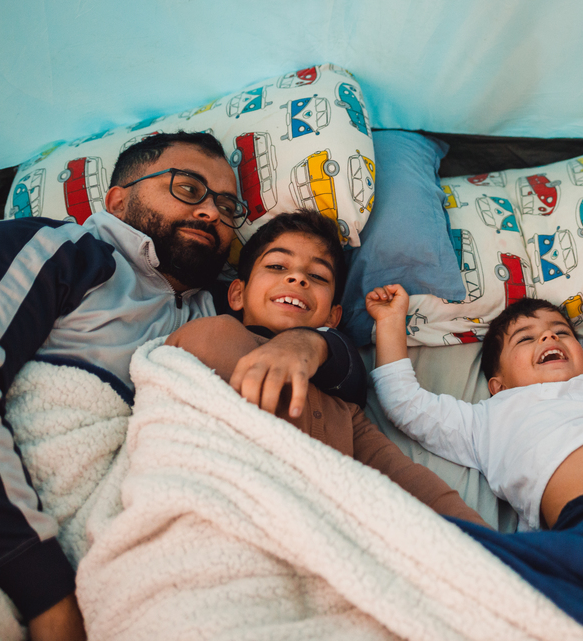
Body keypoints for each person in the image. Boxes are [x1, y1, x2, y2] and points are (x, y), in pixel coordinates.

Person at [0, 132, 364, 641]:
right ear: (117, 199)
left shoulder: (222, 308)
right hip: (1, 537)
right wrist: (45, 590)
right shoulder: (55, 250)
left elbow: (348, 384)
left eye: (226, 205)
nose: (213, 214)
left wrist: (310, 344)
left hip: (142, 545)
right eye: (190, 189)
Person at [164, 210, 488, 527]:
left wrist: (494, 549)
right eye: (277, 266)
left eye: (317, 276)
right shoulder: (214, 332)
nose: (297, 278)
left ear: (332, 318)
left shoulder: (343, 412)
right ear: (237, 294)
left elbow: (413, 486)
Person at [366, 236, 583, 531]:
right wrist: (390, 323)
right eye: (526, 338)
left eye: (562, 331)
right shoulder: (488, 421)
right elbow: (406, 403)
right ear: (497, 386)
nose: (549, 336)